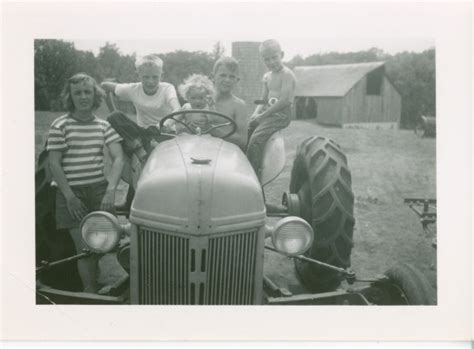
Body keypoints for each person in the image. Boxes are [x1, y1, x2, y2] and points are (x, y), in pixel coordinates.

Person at [47, 73, 124, 293]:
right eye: (77, 93)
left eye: (87, 92)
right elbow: (54, 164)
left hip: (98, 190)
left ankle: (94, 281)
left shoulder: (103, 126)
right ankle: (90, 294)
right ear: (70, 97)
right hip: (70, 193)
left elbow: (118, 157)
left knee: (102, 242)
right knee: (84, 248)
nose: (83, 97)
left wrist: (111, 191)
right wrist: (69, 196)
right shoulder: (60, 125)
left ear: (95, 95)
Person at [247, 39, 296, 178]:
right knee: (247, 129)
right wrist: (255, 114)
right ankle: (244, 163)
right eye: (266, 59)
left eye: (274, 57)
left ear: (282, 54)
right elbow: (263, 98)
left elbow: (284, 101)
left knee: (256, 138)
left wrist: (262, 117)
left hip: (280, 115)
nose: (271, 62)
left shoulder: (287, 75)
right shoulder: (267, 76)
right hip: (267, 113)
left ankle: (254, 175)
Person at [100, 54, 180, 128]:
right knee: (114, 117)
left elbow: (178, 109)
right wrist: (113, 111)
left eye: (155, 77)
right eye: (146, 77)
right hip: (142, 133)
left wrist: (163, 126)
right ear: (138, 75)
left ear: (161, 76)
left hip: (166, 132)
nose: (150, 81)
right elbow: (105, 86)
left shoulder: (167, 88)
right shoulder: (133, 89)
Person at [209, 57, 248, 150]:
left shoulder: (239, 106)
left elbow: (243, 140)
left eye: (232, 76)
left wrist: (214, 131)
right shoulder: (201, 101)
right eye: (223, 75)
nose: (227, 80)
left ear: (237, 80)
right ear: (212, 77)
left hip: (226, 153)